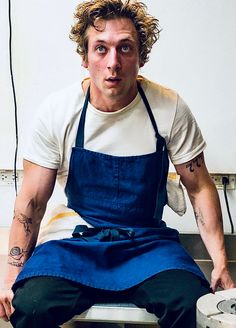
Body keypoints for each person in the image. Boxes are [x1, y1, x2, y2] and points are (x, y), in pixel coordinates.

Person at [0, 0, 235, 327]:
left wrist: (221, 263)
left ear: (141, 55)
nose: (114, 63)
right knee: (31, 305)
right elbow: (32, 202)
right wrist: (11, 276)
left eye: (125, 48)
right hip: (78, 241)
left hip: (147, 244)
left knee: (192, 304)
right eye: (101, 49)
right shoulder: (58, 112)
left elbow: (199, 188)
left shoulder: (168, 108)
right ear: (85, 57)